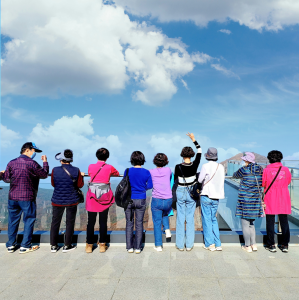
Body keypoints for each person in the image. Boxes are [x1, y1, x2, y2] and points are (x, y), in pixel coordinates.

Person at [2, 142, 49, 254]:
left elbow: (6, 179)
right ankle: (25, 246)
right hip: (27, 197)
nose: (34, 153)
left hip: (13, 197)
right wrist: (45, 162)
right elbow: (44, 174)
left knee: (12, 221)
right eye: (34, 151)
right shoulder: (32, 163)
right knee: (28, 221)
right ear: (28, 150)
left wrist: (3, 174)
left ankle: (11, 245)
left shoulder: (11, 163)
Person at [86, 148, 119, 253]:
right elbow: (117, 173)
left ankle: (89, 246)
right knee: (103, 221)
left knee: (90, 222)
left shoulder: (91, 166)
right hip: (104, 197)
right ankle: (102, 244)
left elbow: (90, 173)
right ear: (107, 157)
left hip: (92, 197)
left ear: (97, 156)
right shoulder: (109, 167)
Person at [50, 149, 84, 253]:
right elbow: (80, 185)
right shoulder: (76, 170)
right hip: (71, 200)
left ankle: (54, 246)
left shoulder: (54, 170)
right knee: (70, 223)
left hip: (57, 200)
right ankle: (67, 245)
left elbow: (53, 184)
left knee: (55, 222)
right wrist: (81, 176)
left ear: (61, 160)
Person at [174, 133, 202, 251]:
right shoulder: (195, 165)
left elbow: (176, 180)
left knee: (181, 218)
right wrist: (194, 140)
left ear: (182, 155)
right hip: (191, 192)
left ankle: (180, 245)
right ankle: (189, 245)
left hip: (180, 191)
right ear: (191, 155)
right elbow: (200, 151)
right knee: (190, 219)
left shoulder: (177, 167)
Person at [233, 152, 264, 253]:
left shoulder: (244, 169)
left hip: (245, 199)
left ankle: (247, 245)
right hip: (255, 200)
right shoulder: (260, 169)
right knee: (252, 223)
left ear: (247, 160)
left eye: (244, 160)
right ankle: (254, 244)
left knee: (245, 223)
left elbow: (235, 175)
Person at [263, 150, 292, 253]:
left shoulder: (266, 170)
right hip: (283, 197)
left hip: (270, 197)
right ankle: (285, 245)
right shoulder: (286, 170)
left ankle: (271, 244)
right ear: (280, 158)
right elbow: (288, 181)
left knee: (270, 222)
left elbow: (264, 183)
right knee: (284, 221)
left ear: (269, 158)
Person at [124, 151, 153, 254]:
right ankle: (137, 248)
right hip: (141, 199)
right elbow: (150, 185)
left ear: (132, 160)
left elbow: (124, 184)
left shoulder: (127, 171)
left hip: (128, 200)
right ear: (142, 160)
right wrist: (142, 188)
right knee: (139, 223)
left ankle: (129, 247)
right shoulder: (146, 172)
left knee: (129, 223)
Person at [198, 147, 225, 252]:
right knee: (213, 219)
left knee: (207, 219)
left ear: (207, 156)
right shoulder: (221, 166)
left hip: (206, 195)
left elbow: (200, 179)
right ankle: (218, 243)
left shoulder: (205, 166)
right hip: (216, 197)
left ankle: (210, 244)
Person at [150, 153, 173, 252]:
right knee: (164, 212)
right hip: (168, 199)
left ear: (155, 161)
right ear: (165, 161)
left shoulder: (151, 172)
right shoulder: (168, 170)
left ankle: (158, 245)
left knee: (157, 222)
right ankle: (167, 229)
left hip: (157, 199)